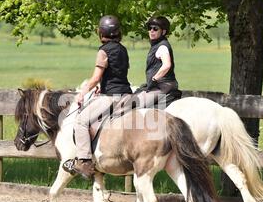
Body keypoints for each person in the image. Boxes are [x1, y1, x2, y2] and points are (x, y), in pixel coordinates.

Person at [63, 15, 133, 180]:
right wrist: (101, 87)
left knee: (80, 122)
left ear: (101, 33)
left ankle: (84, 162)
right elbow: (116, 74)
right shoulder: (123, 49)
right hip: (127, 95)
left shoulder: (103, 51)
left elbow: (96, 77)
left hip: (111, 97)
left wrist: (82, 93)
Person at [134, 16, 181, 108]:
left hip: (163, 85)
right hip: (159, 85)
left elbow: (167, 65)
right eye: (149, 28)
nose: (151, 31)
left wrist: (154, 79)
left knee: (135, 105)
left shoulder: (162, 47)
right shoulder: (157, 45)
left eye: (155, 29)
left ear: (163, 32)